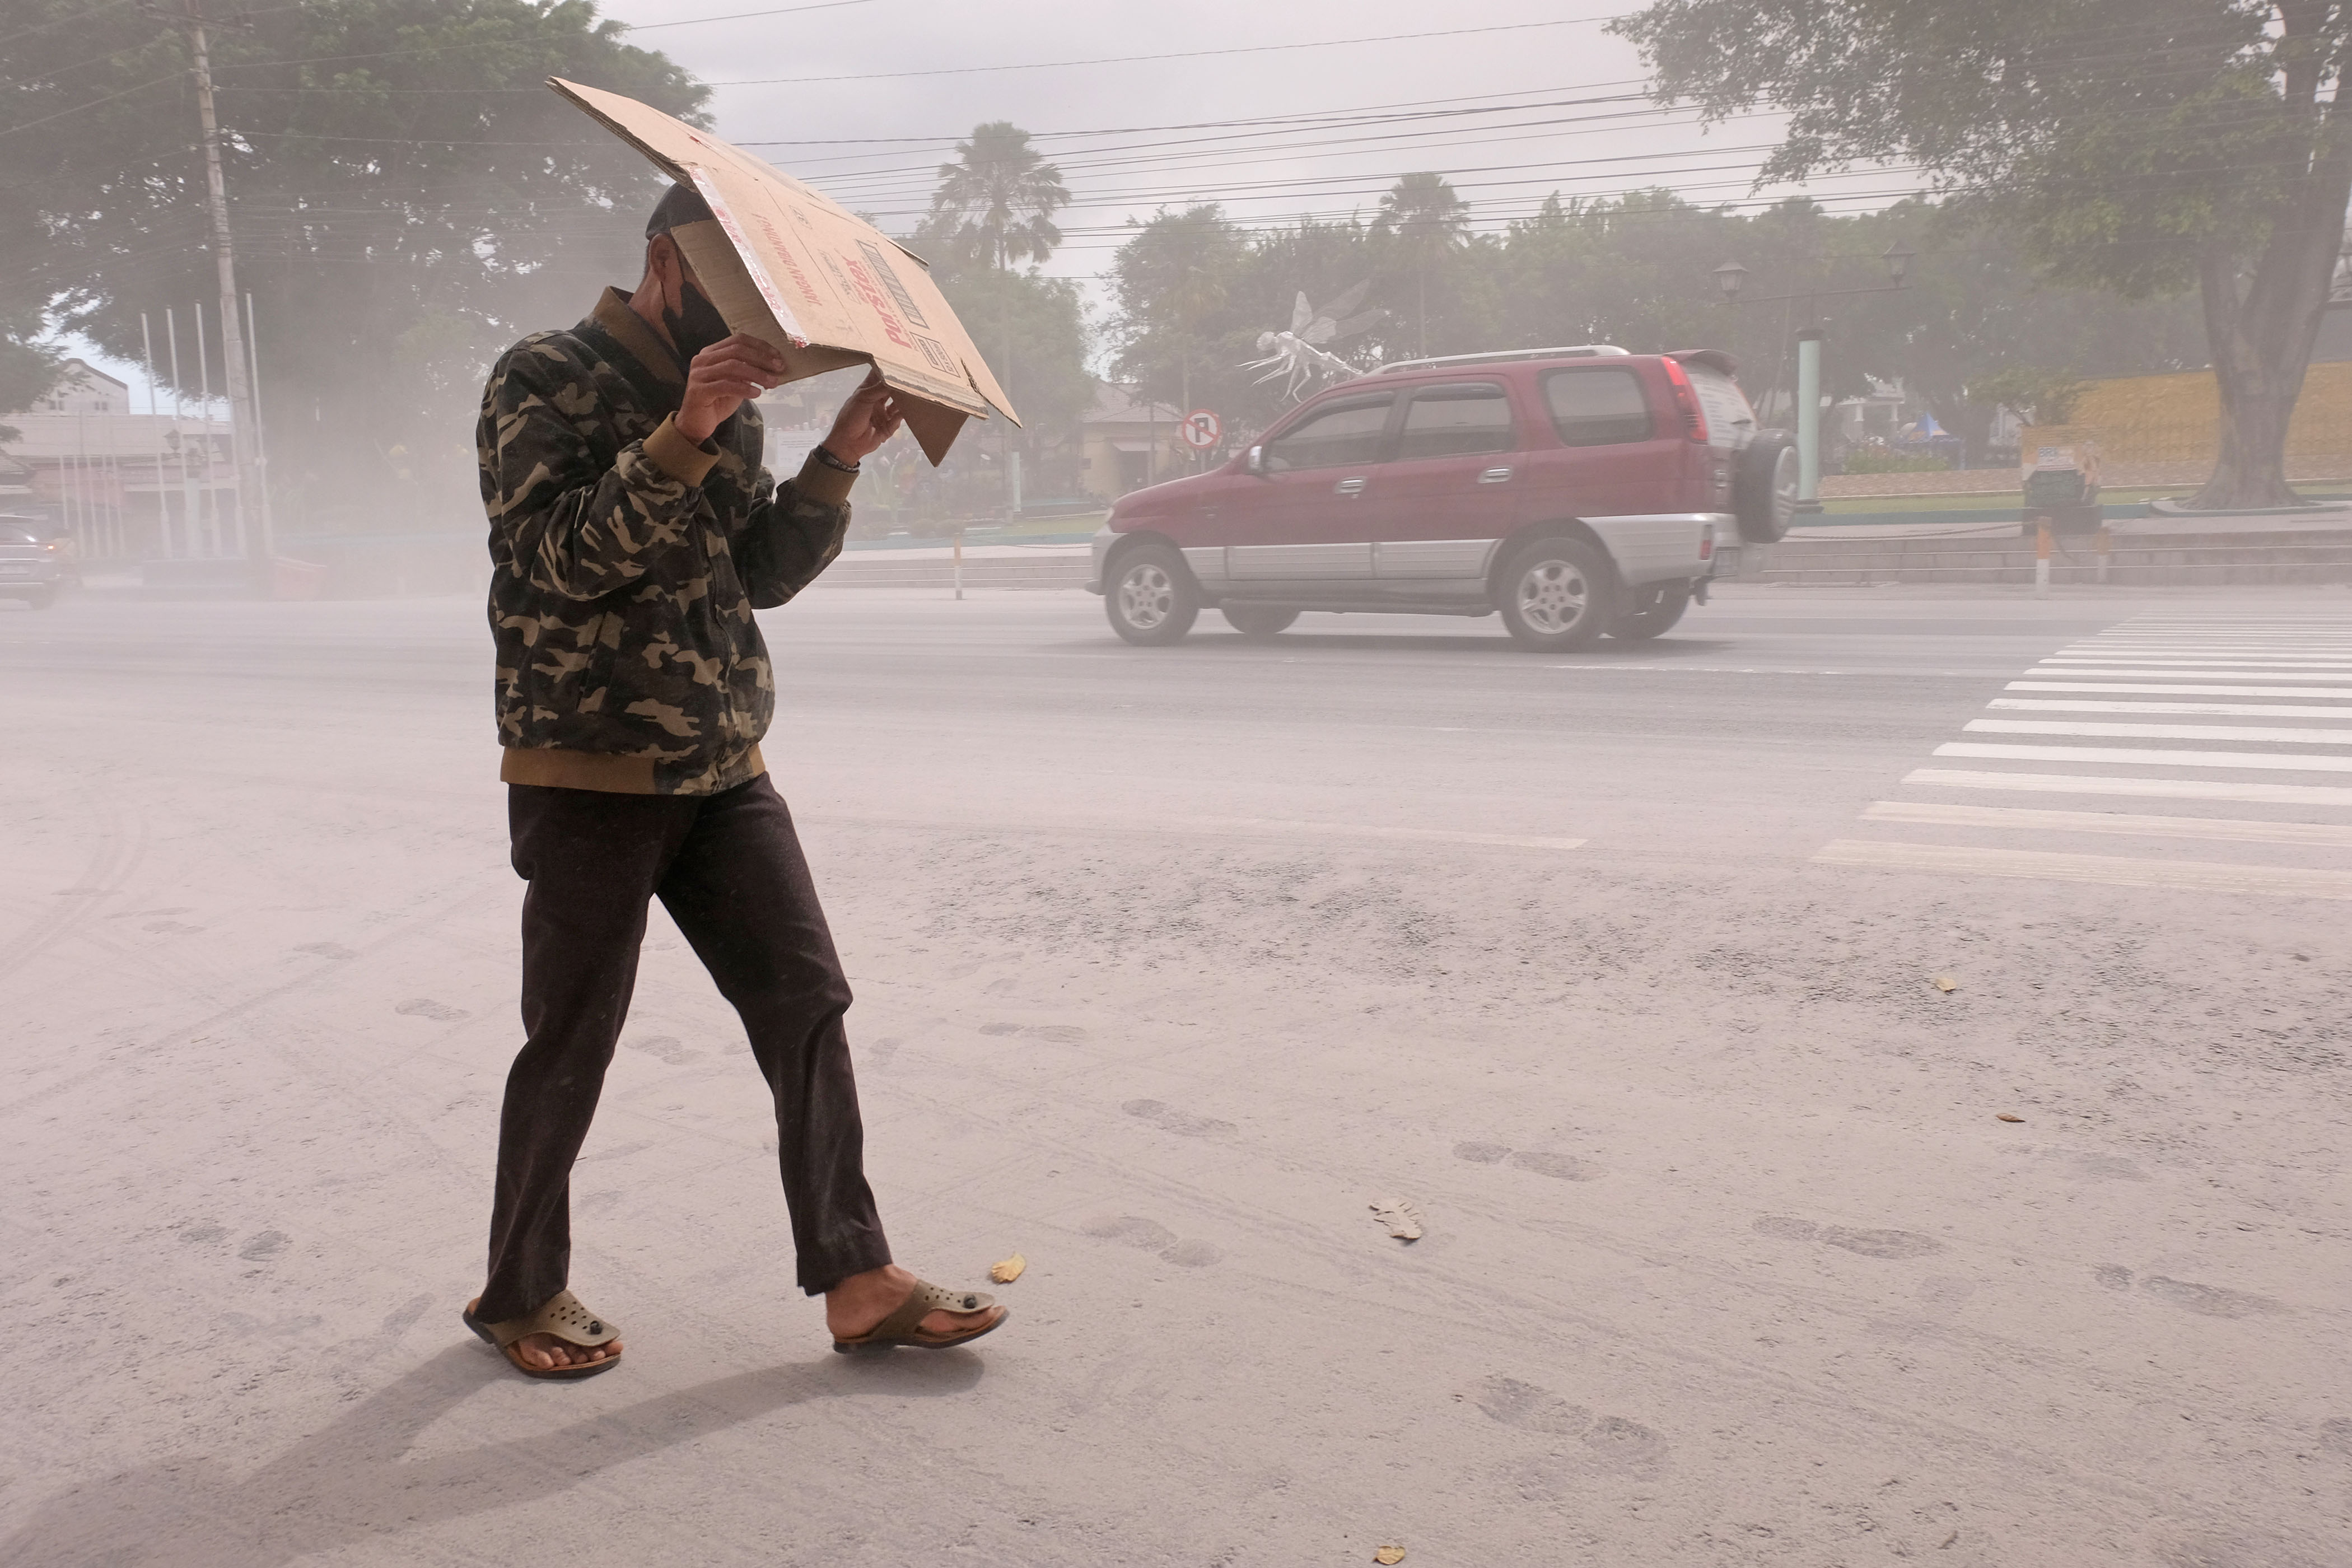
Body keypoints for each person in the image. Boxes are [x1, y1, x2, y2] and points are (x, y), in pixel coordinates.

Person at [463, 183, 1005, 1379]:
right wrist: (684, 429)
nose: (763, 324)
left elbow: (753, 574)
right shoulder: (541, 375)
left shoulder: (741, 401)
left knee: (805, 999)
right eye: (738, 287)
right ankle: (519, 1287)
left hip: (721, 765)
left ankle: (857, 1277)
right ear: (669, 260)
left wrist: (836, 461)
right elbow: (554, 564)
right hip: (591, 771)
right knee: (573, 1036)